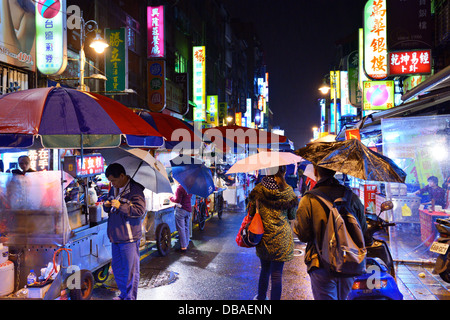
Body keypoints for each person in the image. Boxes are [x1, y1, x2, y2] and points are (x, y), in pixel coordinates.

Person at [294, 165, 368, 300]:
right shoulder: (351, 197)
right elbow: (363, 230)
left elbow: (303, 235)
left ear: (315, 171)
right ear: (335, 170)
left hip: (320, 263)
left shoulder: (309, 199)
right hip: (348, 261)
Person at [247, 165, 298, 300]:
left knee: (264, 270)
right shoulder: (288, 191)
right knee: (277, 274)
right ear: (283, 172)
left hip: (263, 236)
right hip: (282, 238)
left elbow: (251, 213)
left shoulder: (258, 190)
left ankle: (261, 297)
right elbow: (292, 215)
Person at [103, 163, 146, 300]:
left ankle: (130, 297)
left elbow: (139, 211)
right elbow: (110, 207)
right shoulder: (114, 189)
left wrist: (121, 206)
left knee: (130, 272)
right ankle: (123, 295)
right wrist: (106, 206)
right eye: (110, 181)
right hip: (115, 236)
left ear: (122, 176)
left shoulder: (135, 190)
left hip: (129, 237)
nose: (112, 183)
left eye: (113, 180)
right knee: (118, 269)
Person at [170, 179, 192, 252]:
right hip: (188, 209)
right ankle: (186, 244)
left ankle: (183, 247)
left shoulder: (180, 188)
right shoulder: (189, 186)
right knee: (186, 227)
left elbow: (177, 200)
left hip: (181, 210)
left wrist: (170, 198)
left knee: (181, 229)